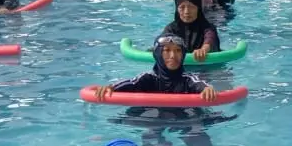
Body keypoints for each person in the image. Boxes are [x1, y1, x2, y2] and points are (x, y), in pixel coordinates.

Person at [91, 35, 219, 103]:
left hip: (185, 117)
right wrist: (110, 87)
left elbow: (199, 84)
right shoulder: (148, 78)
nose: (173, 56)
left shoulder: (187, 79)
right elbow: (130, 83)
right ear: (157, 54)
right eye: (167, 51)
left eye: (178, 51)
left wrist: (207, 89)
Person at [155, 0, 220, 63]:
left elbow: (210, 38)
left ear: (198, 8)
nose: (186, 11)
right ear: (177, 9)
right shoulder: (171, 28)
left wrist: (203, 50)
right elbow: (161, 42)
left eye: (191, 7)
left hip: (205, 67)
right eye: (182, 7)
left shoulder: (208, 27)